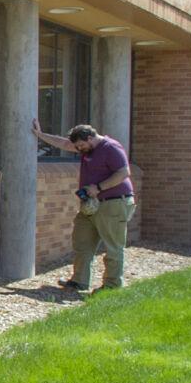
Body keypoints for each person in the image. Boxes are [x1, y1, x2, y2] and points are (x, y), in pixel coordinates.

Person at [30, 120, 136, 292]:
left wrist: (99, 187)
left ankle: (112, 285)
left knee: (113, 246)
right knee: (81, 242)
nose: (79, 149)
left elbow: (124, 172)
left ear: (90, 138)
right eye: (77, 146)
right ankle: (79, 281)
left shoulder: (111, 147)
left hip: (114, 202)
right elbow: (64, 143)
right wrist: (41, 135)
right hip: (91, 204)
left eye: (81, 145)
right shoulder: (87, 147)